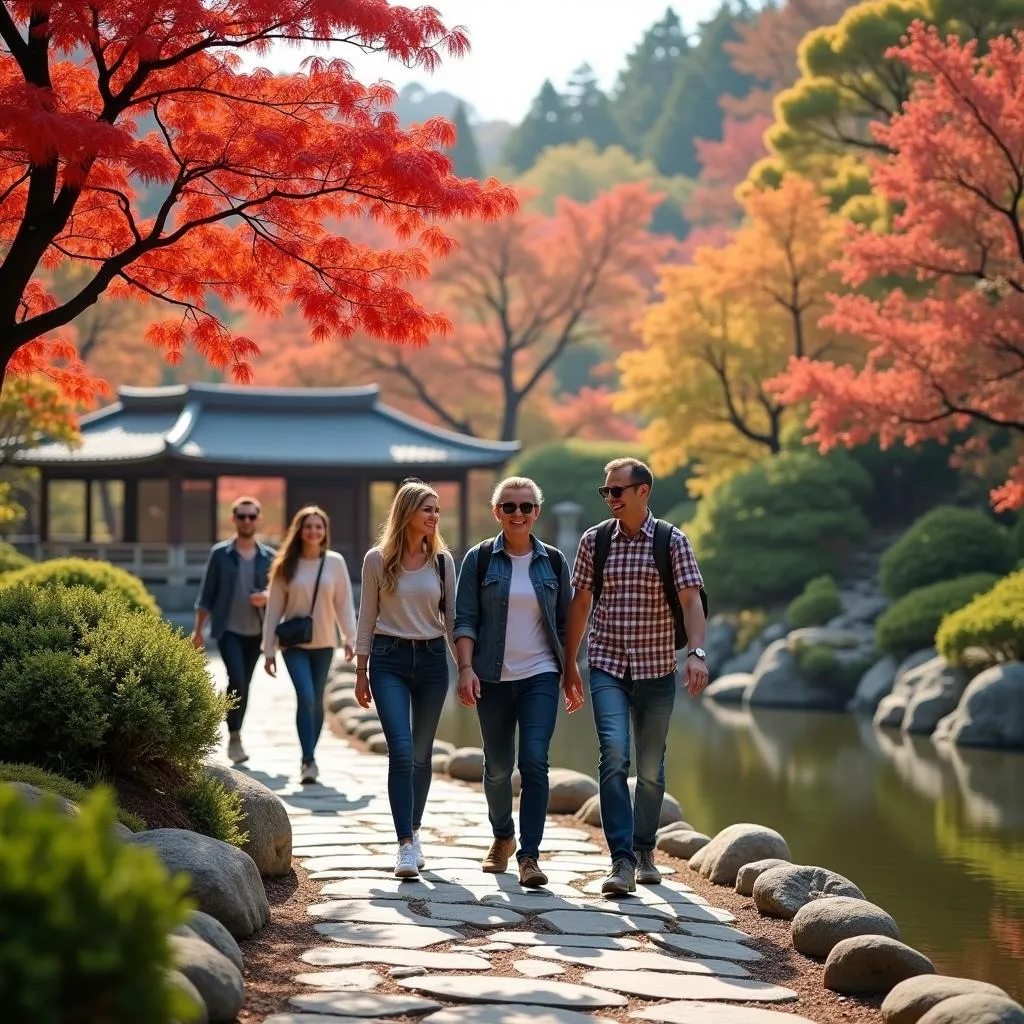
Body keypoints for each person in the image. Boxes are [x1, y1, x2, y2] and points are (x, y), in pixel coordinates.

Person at [563, 457, 709, 896]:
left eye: (618, 491)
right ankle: (621, 861)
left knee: (650, 768)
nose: (610, 498)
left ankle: (646, 851)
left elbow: (691, 602)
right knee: (613, 755)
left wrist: (697, 654)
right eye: (606, 491)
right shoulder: (595, 541)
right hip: (607, 664)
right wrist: (570, 661)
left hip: (657, 667)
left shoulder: (671, 541)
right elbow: (581, 605)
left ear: (643, 491)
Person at [454, 476, 582, 888]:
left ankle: (529, 855)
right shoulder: (480, 559)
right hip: (491, 676)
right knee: (496, 769)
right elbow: (465, 618)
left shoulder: (554, 561)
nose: (518, 514)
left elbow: (566, 622)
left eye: (526, 506)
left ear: (536, 513)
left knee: (534, 762)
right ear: (497, 512)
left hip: (540, 674)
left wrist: (570, 670)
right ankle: (502, 836)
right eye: (509, 507)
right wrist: (466, 668)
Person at [354, 481, 456, 879]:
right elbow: (366, 618)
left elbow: (451, 621)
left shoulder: (444, 562)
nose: (434, 516)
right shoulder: (377, 560)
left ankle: (414, 830)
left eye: (437, 510)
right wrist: (360, 672)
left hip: (431, 661)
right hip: (387, 659)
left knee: (421, 754)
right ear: (408, 512)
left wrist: (464, 668)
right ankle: (404, 846)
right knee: (400, 749)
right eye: (427, 509)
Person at [262, 505, 357, 783]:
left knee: (316, 702)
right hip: (293, 644)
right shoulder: (285, 565)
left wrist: (350, 638)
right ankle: (308, 760)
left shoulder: (335, 562)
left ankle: (310, 755)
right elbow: (273, 611)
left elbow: (344, 604)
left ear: (325, 531)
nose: (314, 531)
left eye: (319, 526)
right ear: (299, 531)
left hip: (326, 642)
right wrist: (268, 650)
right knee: (305, 696)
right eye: (308, 526)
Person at [193, 495, 276, 765]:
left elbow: (279, 593)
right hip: (228, 629)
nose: (247, 521)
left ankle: (236, 732)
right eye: (242, 516)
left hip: (256, 631)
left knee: (245, 683)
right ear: (234, 520)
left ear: (258, 519)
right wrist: (198, 632)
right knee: (237, 679)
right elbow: (207, 594)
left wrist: (266, 595)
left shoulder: (269, 557)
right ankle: (235, 734)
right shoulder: (220, 554)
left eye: (252, 516)